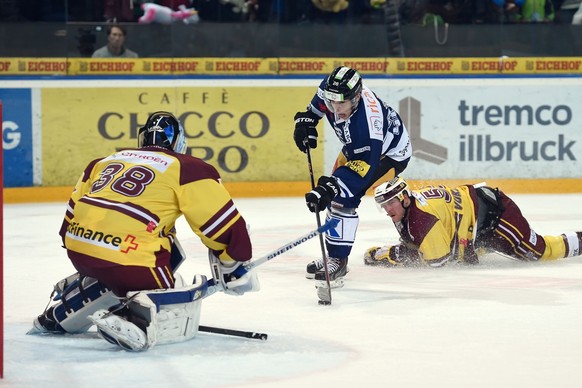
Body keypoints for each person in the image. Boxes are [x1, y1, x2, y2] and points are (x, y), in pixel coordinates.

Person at [28, 111, 258, 351]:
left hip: (79, 252)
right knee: (164, 253)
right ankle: (135, 316)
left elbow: (69, 219)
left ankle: (67, 307)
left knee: (140, 249)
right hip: (131, 260)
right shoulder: (188, 168)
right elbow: (222, 225)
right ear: (179, 142)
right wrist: (234, 261)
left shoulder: (102, 162)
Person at [293, 66, 412, 284]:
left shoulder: (368, 124)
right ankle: (333, 253)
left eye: (341, 104)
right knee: (331, 192)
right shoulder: (333, 90)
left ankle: (339, 260)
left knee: (342, 196)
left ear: (356, 98)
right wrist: (306, 122)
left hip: (387, 155)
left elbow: (364, 167)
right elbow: (315, 110)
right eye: (332, 102)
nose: (336, 108)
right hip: (355, 147)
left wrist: (334, 187)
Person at [365, 176, 582, 267]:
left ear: (404, 198)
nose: (386, 210)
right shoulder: (408, 209)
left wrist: (392, 255)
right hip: (476, 223)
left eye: (389, 203)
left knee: (540, 251)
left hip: (496, 216)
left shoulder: (421, 219)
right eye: (383, 205)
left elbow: (437, 261)